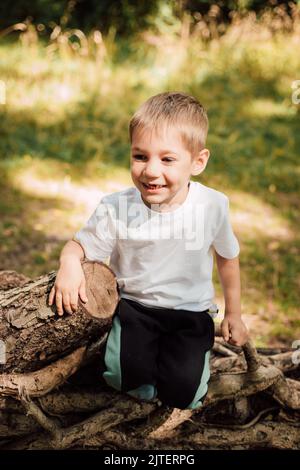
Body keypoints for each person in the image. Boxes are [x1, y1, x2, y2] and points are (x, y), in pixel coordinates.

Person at [49, 91, 248, 410]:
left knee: (184, 394)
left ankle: (181, 374)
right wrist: (69, 263)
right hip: (136, 309)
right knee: (120, 374)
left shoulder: (212, 206)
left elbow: (227, 257)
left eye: (167, 159)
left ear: (198, 162)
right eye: (140, 156)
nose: (151, 171)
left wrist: (234, 314)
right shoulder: (117, 207)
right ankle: (137, 380)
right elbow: (79, 246)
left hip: (190, 312)